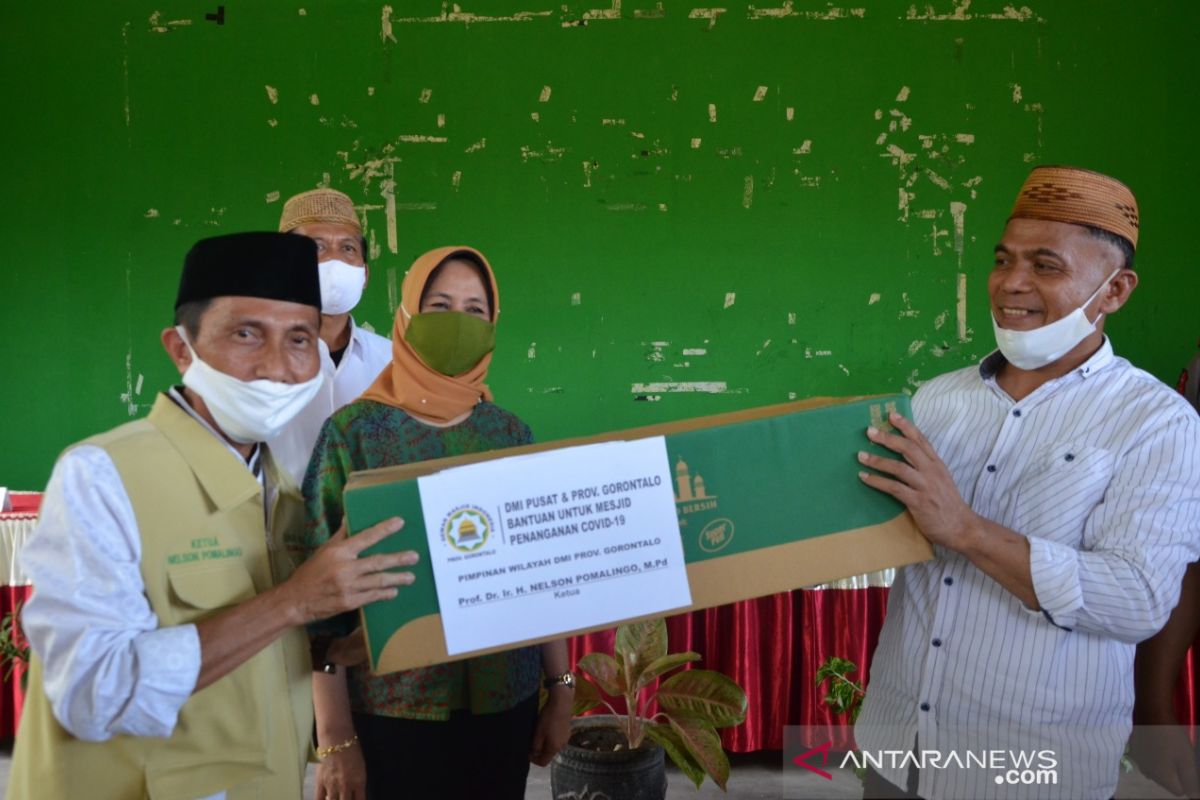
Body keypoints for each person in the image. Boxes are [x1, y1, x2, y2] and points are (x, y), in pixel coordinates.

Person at [7, 232, 420, 800]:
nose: (276, 366)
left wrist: (330, 645)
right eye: (247, 333)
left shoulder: (288, 496)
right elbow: (90, 695)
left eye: (299, 339)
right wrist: (295, 601)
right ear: (182, 349)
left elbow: (264, 659)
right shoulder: (102, 475)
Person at [853, 166, 1200, 799]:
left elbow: (1138, 599)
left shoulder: (1157, 423)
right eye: (1003, 260)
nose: (1012, 284)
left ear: (1115, 291)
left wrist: (965, 529)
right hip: (897, 745)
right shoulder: (938, 400)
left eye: (1046, 266)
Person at [300, 246, 573, 800]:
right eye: (440, 304)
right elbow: (318, 606)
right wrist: (335, 739)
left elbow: (544, 574)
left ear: (493, 323)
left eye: (475, 310)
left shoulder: (511, 435)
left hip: (506, 700)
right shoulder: (353, 434)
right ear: (406, 317)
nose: (457, 322)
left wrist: (561, 690)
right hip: (392, 708)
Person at [268, 188, 392, 485]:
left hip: (374, 521)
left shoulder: (395, 360)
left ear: (365, 275)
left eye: (348, 248)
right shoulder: (255, 364)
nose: (334, 262)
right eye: (316, 248)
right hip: (280, 526)